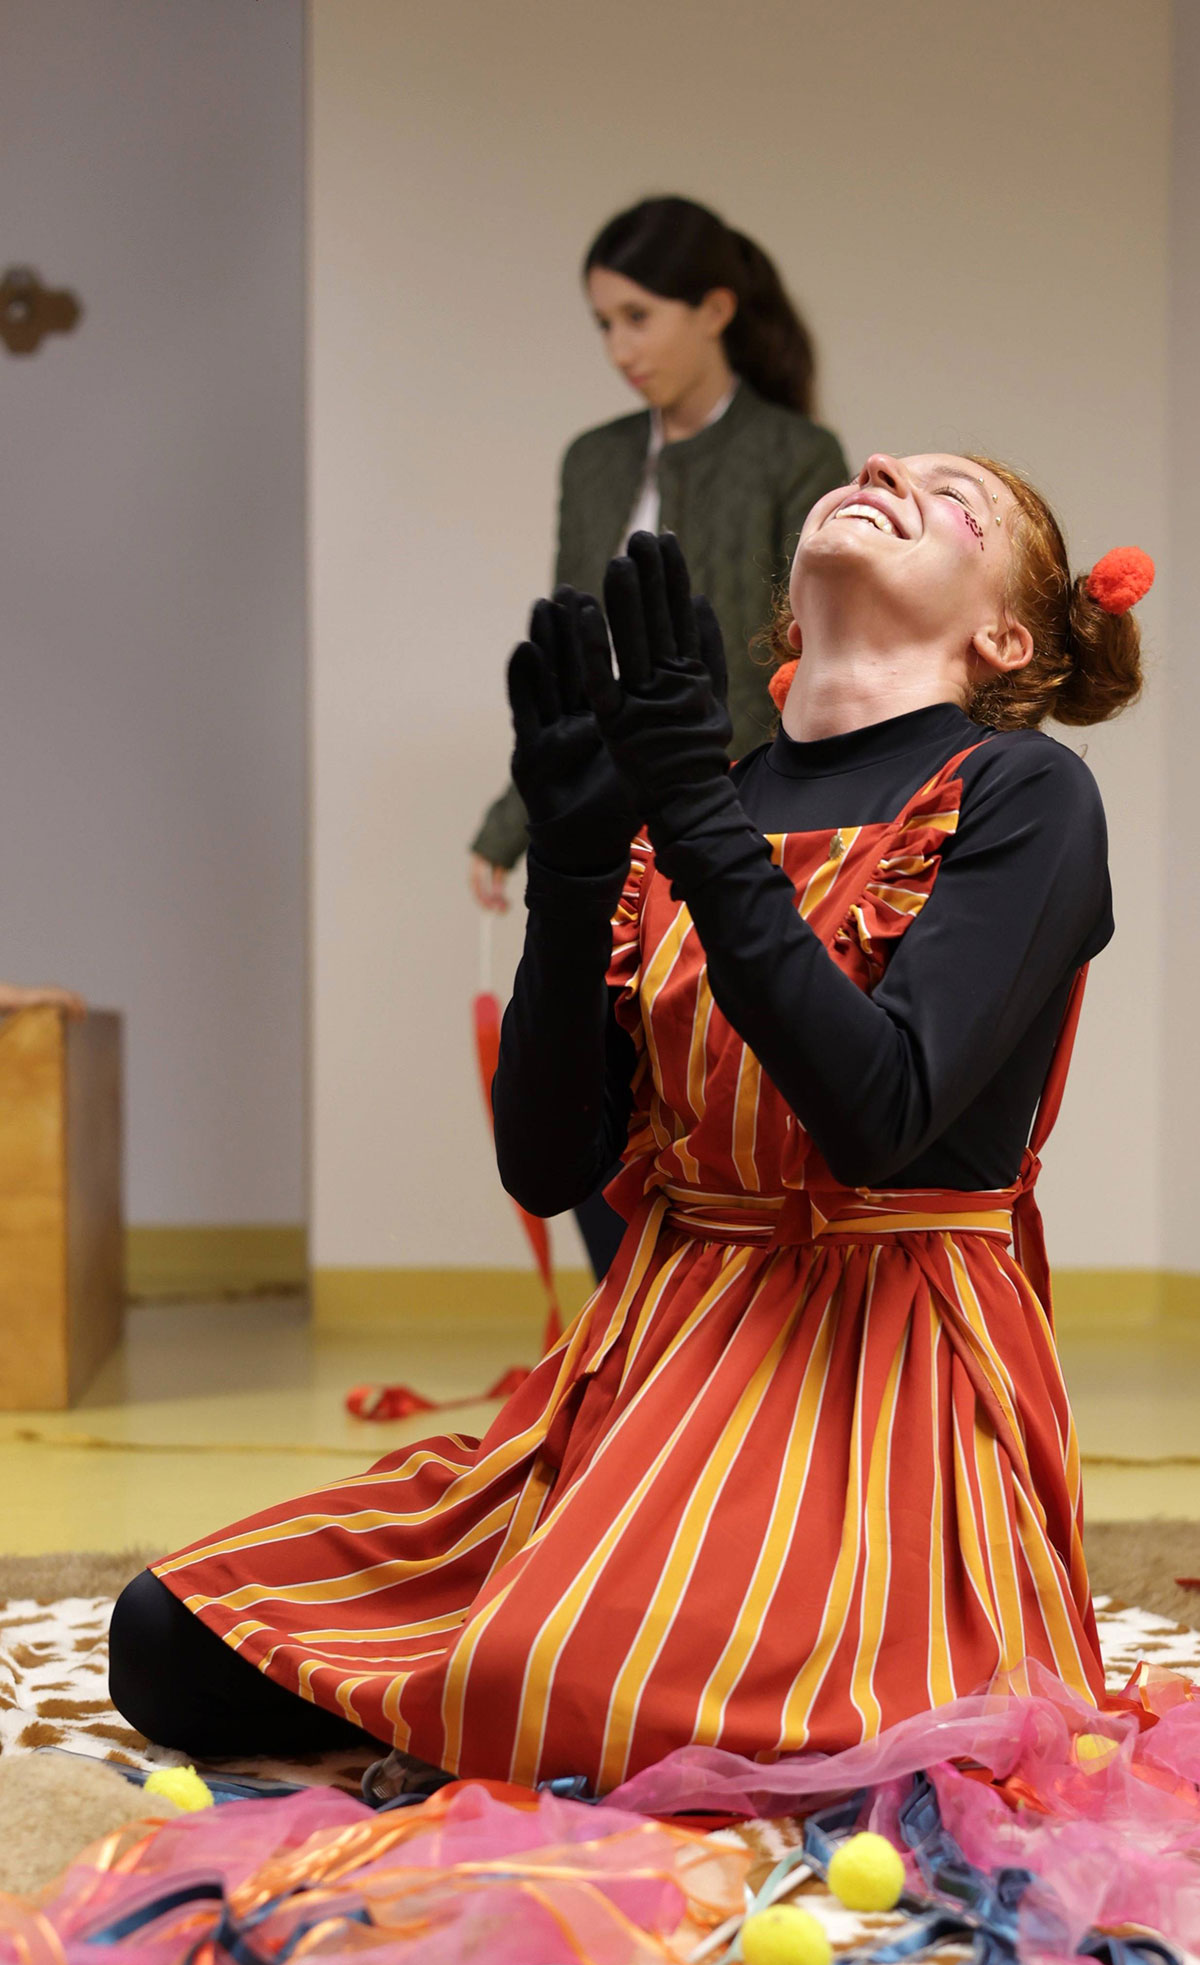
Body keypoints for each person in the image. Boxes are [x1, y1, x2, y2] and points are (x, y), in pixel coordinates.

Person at [110, 453, 1151, 1811]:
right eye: (882, 464)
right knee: (165, 1637)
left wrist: (693, 809)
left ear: (1005, 635)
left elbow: (881, 1116)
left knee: (548, 1674)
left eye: (957, 497)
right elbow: (548, 1163)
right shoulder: (689, 803)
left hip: (873, 1377)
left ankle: (521, 1718)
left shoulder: (1027, 790)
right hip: (650, 1362)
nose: (888, 468)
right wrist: (576, 860)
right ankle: (517, 1708)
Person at [471, 194, 848, 1277]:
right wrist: (511, 821)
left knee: (700, 1078)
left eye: (638, 317)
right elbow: (568, 645)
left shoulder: (794, 450)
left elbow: (805, 642)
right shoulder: (594, 459)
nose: (619, 348)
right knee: (588, 1078)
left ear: (716, 308)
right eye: (603, 323)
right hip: (602, 819)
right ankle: (626, 1315)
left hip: (731, 819)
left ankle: (708, 1318)